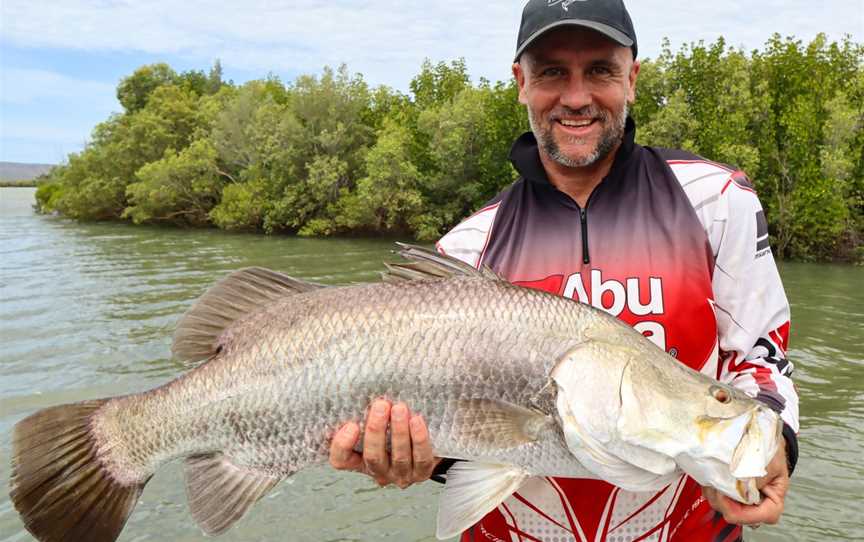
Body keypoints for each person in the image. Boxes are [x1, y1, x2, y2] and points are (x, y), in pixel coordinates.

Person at [329, 0, 800, 540]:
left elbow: (764, 354)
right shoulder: (467, 247)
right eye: (553, 71)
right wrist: (417, 460)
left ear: (633, 78)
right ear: (521, 82)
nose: (576, 98)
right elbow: (467, 441)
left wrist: (775, 444)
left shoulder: (716, 200)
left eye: (600, 69)